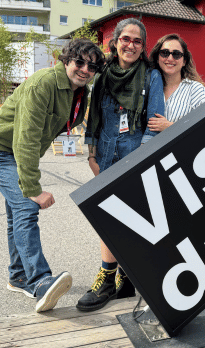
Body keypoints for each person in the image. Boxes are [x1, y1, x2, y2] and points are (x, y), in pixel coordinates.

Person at [0, 38, 104, 312]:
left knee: (16, 215)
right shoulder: (44, 83)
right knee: (26, 205)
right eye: (79, 62)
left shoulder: (78, 93)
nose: (85, 69)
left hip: (18, 152)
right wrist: (33, 188)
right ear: (66, 60)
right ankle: (39, 282)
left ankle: (18, 276)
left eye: (91, 66)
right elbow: (25, 139)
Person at [77, 18, 165, 312]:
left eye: (137, 41)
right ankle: (113, 279)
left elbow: (153, 124)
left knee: (132, 218)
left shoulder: (151, 76)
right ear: (115, 42)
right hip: (105, 153)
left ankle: (119, 278)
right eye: (126, 39)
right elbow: (93, 118)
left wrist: (140, 160)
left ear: (143, 48)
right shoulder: (101, 75)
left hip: (135, 154)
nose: (130, 45)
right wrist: (91, 155)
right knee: (107, 215)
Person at [147, 33, 205, 132]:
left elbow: (204, 128)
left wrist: (170, 127)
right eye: (164, 53)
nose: (170, 59)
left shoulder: (196, 90)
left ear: (184, 61)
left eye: (176, 54)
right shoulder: (147, 86)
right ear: (157, 58)